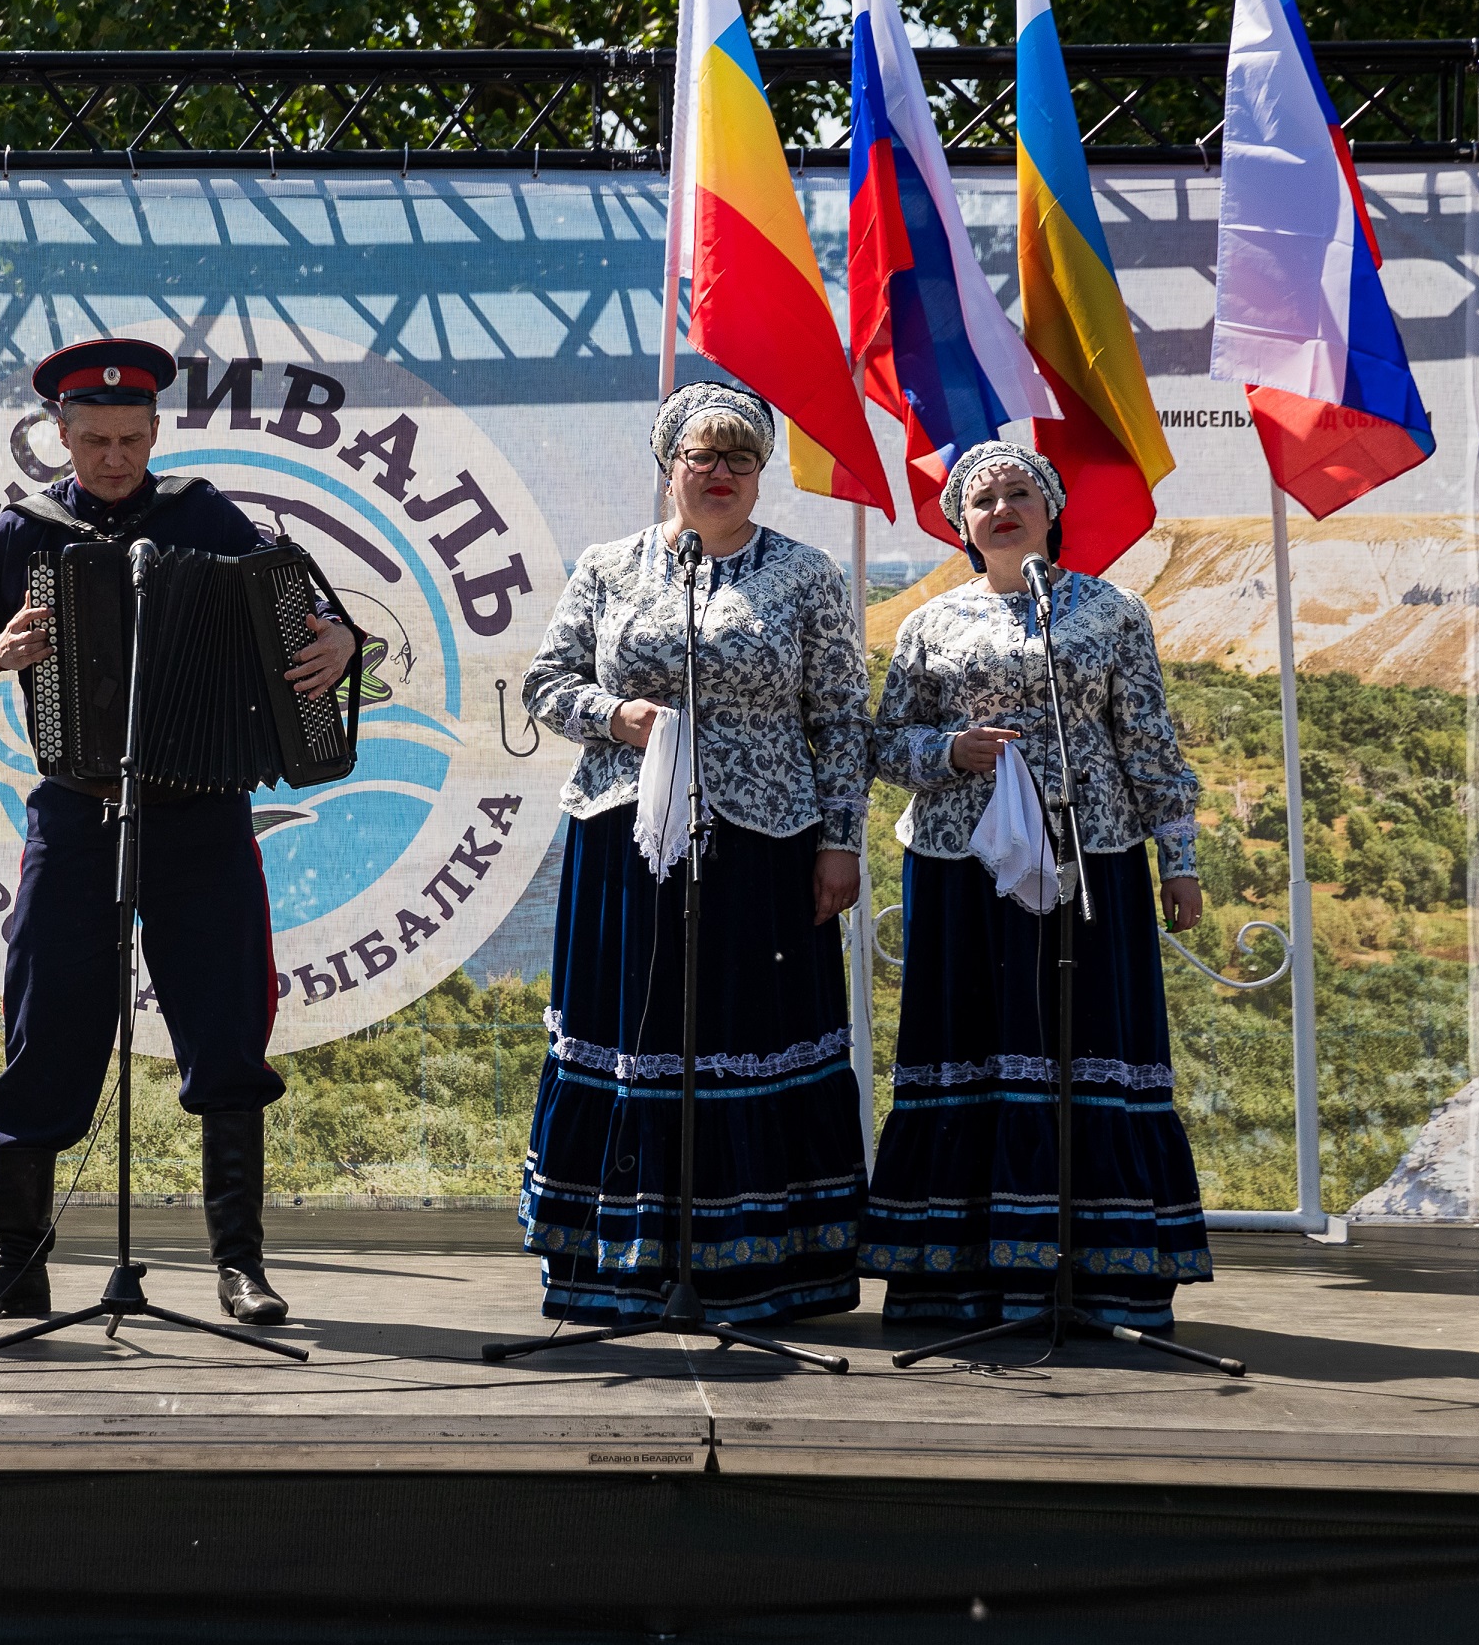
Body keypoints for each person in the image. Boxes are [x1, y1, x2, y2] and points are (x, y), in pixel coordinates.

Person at [0, 338, 357, 1326]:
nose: (114, 457)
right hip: (76, 808)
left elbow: (310, 611)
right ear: (61, 434)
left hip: (201, 811)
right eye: (96, 440)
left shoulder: (204, 514)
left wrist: (343, 638)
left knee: (226, 1024)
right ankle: (17, 1263)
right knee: (44, 1020)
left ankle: (239, 1265)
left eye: (130, 438)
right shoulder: (20, 532)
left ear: (155, 432)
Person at [511, 382, 872, 1326]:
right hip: (628, 840)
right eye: (701, 457)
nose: (719, 474)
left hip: (765, 851)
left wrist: (841, 842)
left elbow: (839, 718)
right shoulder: (610, 567)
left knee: (747, 1035)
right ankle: (620, 1266)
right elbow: (545, 683)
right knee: (637, 1034)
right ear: (669, 467)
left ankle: (762, 1270)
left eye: (739, 459)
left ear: (760, 477)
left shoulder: (804, 577)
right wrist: (613, 715)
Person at [860, 440, 1212, 1331]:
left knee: (1082, 1040)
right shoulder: (930, 626)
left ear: (1052, 512)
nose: (1004, 507)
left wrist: (1179, 859)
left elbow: (1148, 742)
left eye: (1022, 493)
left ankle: (1099, 1277)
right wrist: (951, 750)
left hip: (1088, 858)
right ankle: (958, 1277)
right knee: (971, 1044)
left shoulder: (1107, 612)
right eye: (984, 500)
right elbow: (885, 744)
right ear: (963, 526)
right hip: (962, 867)